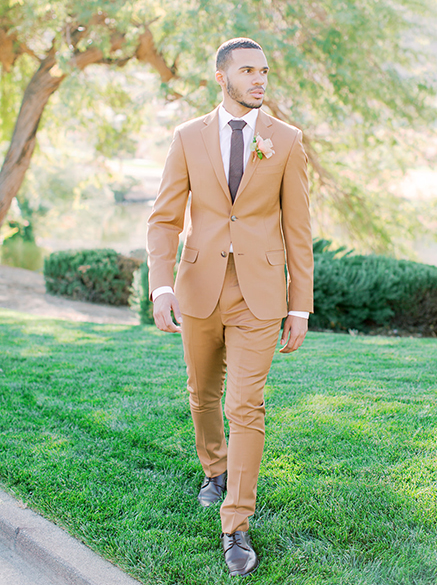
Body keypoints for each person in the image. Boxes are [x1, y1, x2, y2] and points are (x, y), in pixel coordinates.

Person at [147, 37, 313, 577]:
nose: (260, 80)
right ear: (222, 77)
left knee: (246, 405)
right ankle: (214, 469)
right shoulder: (188, 137)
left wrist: (300, 306)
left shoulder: (285, 141)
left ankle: (235, 522)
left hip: (260, 295)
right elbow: (165, 218)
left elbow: (298, 230)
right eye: (248, 71)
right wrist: (161, 285)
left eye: (264, 71)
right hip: (198, 287)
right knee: (202, 393)